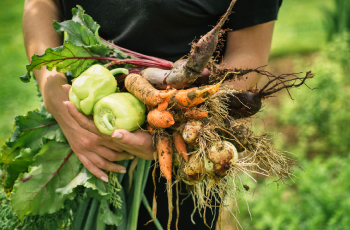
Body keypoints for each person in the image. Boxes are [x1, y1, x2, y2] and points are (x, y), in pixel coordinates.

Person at [22, 0, 282, 228]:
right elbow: (41, 4)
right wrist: (51, 85)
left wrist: (181, 126)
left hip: (188, 147)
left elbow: (248, 52)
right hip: (77, 128)